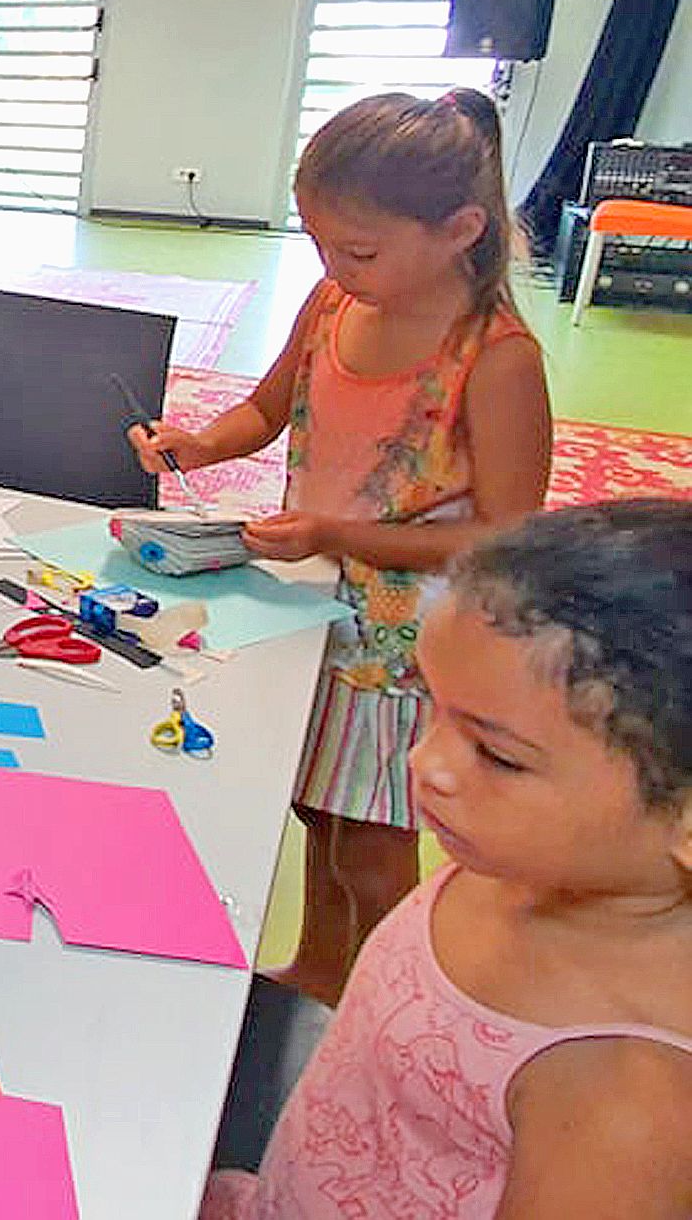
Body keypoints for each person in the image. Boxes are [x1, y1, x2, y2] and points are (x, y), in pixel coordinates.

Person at [131, 89, 551, 1003]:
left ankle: (384, 1000)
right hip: (310, 610)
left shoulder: (494, 356)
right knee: (314, 807)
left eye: (357, 250)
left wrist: (335, 533)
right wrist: (199, 443)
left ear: (461, 230)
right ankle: (323, 967)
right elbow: (268, 409)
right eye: (318, 243)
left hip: (411, 648)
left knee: (371, 840)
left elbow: (514, 540)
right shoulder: (330, 305)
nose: (333, 267)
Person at [203, 501, 692, 1220]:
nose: (425, 763)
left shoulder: (629, 1100)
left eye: (496, 755)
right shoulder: (519, 862)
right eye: (434, 709)